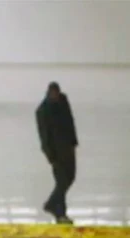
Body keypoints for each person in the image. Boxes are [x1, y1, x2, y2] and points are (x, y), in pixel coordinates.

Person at [36, 82, 78, 225]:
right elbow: (44, 136)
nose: (55, 96)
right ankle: (60, 214)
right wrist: (50, 156)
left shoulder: (63, 101)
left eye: (57, 94)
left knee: (70, 178)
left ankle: (51, 204)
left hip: (68, 148)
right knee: (62, 181)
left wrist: (73, 142)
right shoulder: (42, 111)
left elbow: (70, 121)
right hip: (56, 153)